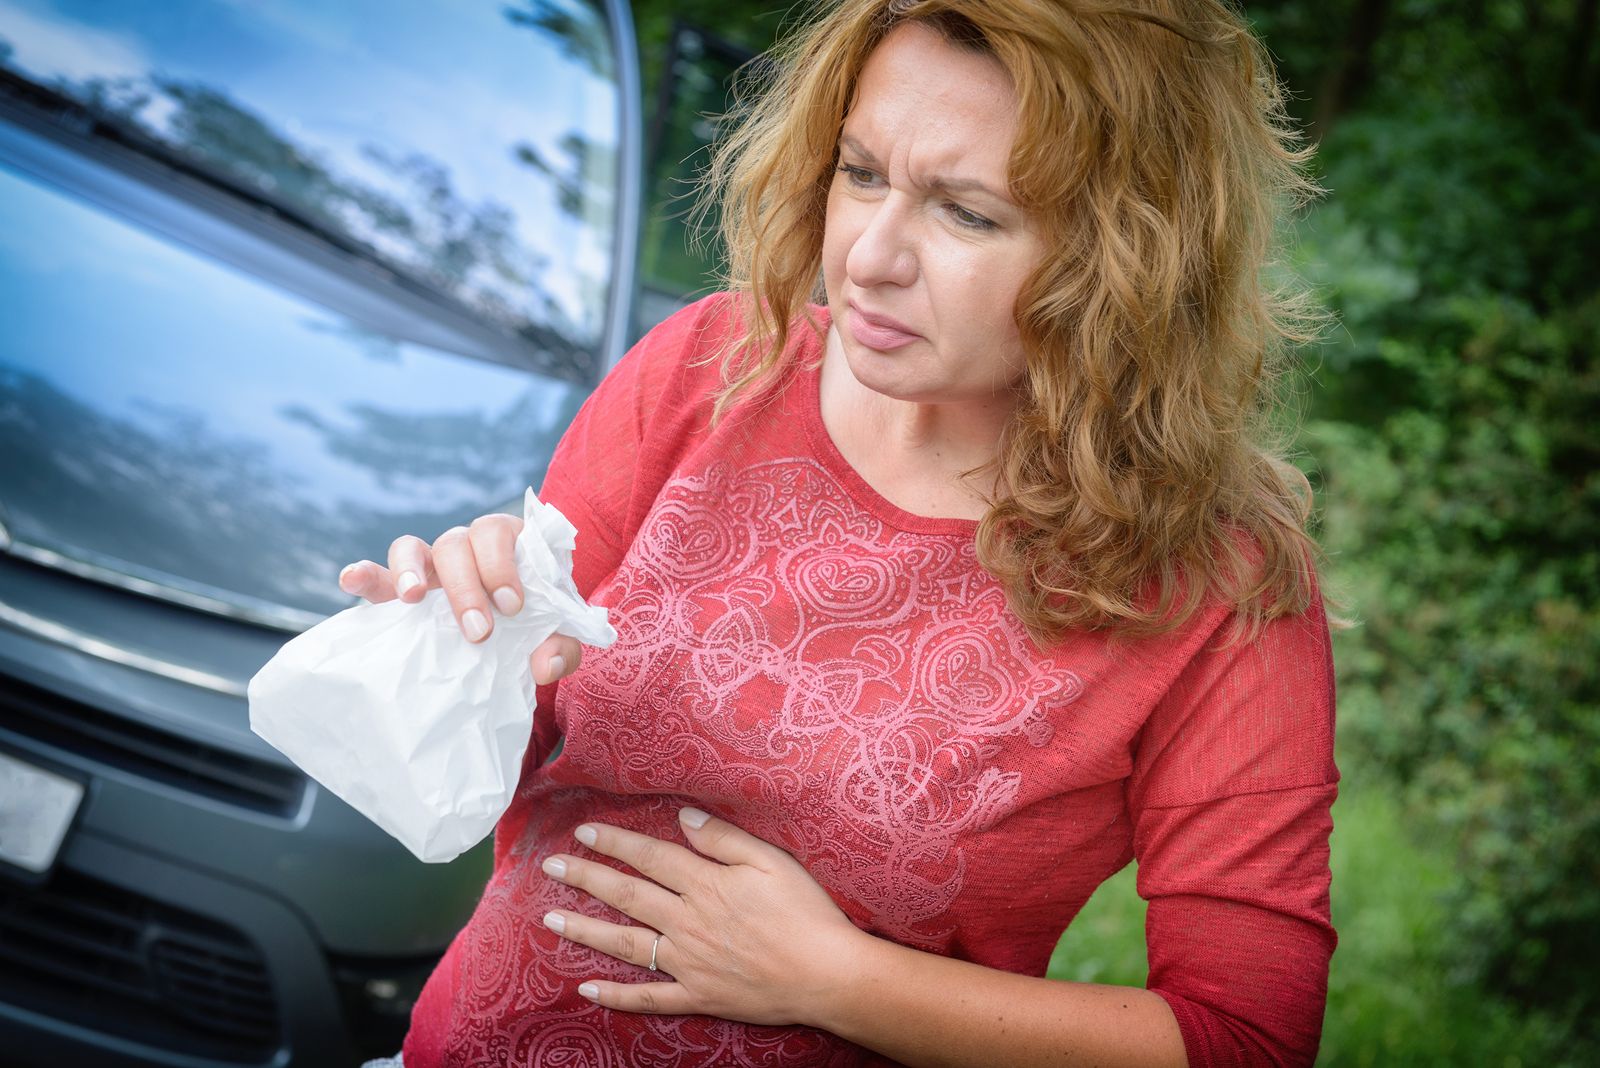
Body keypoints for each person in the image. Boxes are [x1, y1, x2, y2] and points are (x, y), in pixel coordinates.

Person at [339, 1, 1337, 1065]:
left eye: (964, 214)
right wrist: (461, 637)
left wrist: (839, 981)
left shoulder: (1215, 585)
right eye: (861, 174)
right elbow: (492, 771)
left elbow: (1244, 1037)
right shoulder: (705, 369)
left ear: (1127, 257)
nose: (869, 258)